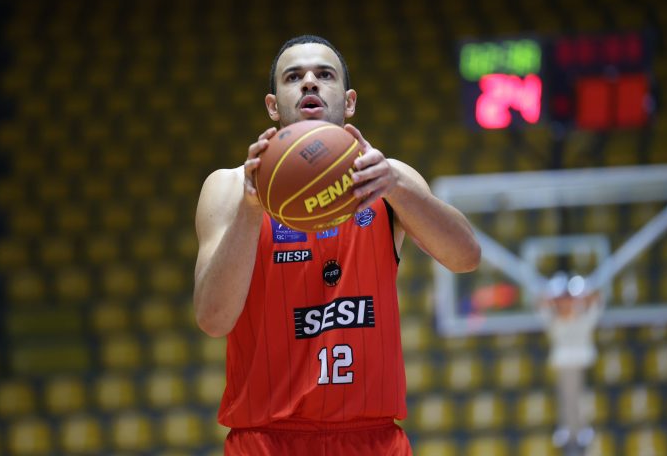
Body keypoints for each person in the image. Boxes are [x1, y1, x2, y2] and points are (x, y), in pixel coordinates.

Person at [194, 35, 480, 455]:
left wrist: (397, 187)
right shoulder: (232, 187)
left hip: (373, 439)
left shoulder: (387, 178)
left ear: (349, 102)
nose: (309, 82)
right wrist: (251, 209)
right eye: (293, 77)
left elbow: (466, 257)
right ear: (272, 105)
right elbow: (213, 319)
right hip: (268, 440)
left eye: (324, 75)